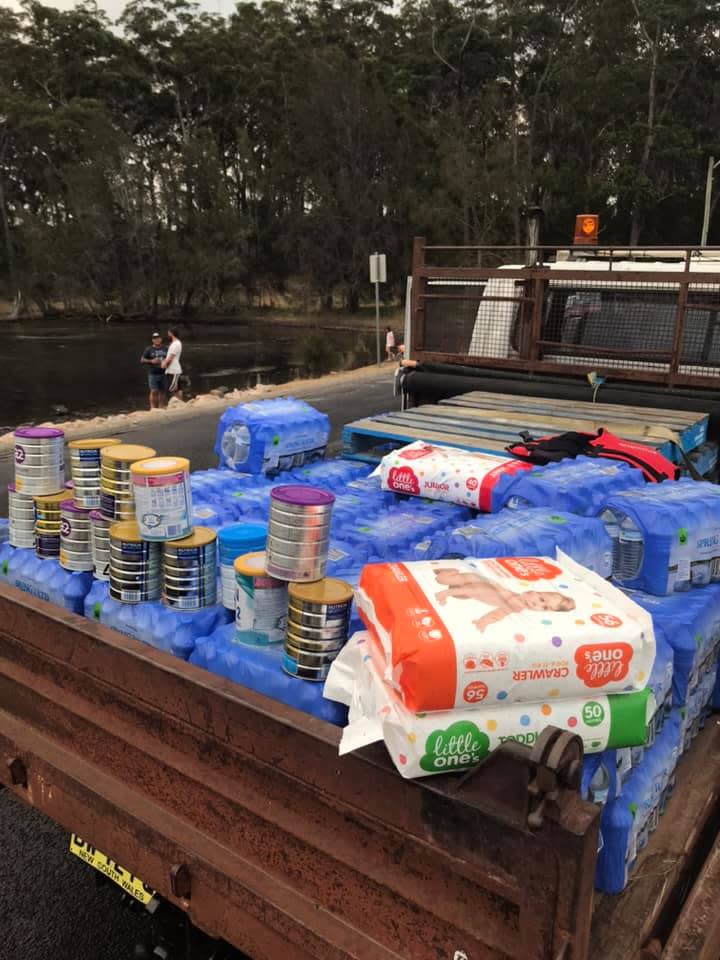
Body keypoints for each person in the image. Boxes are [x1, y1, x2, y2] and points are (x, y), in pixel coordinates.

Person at [432, 566, 575, 631]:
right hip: (475, 581)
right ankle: (450, 572)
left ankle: (451, 585)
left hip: (471, 593)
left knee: (459, 594)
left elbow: (498, 614)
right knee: (441, 580)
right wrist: (446, 594)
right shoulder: (510, 595)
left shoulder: (517, 607)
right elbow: (481, 588)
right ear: (530, 591)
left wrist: (483, 622)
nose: (537, 604)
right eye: (542, 599)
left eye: (544, 608)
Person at [140, 332, 167, 409]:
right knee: (154, 391)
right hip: (153, 374)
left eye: (158, 338)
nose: (157, 340)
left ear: (161, 339)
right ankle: (153, 408)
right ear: (152, 340)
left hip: (163, 373)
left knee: (163, 391)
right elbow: (142, 360)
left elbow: (169, 358)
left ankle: (161, 406)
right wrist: (151, 361)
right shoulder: (149, 349)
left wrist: (165, 361)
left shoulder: (165, 348)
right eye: (155, 339)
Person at [162, 327, 183, 400]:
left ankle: (178, 403)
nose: (167, 335)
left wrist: (164, 364)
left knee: (173, 389)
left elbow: (171, 357)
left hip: (173, 370)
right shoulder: (174, 343)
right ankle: (179, 403)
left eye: (168, 333)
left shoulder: (176, 344)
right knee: (176, 388)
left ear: (171, 333)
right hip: (172, 369)